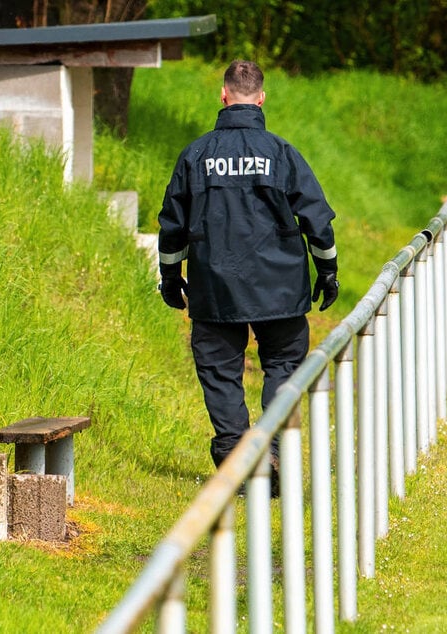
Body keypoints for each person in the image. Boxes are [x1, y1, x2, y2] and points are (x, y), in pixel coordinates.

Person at [158, 60, 339, 496]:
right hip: (280, 286)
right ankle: (271, 449)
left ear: (223, 96)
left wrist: (170, 277)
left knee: (219, 369)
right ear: (261, 98)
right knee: (283, 362)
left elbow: (172, 227)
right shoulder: (282, 153)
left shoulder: (195, 156)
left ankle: (234, 448)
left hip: (215, 287)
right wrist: (328, 270)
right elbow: (317, 219)